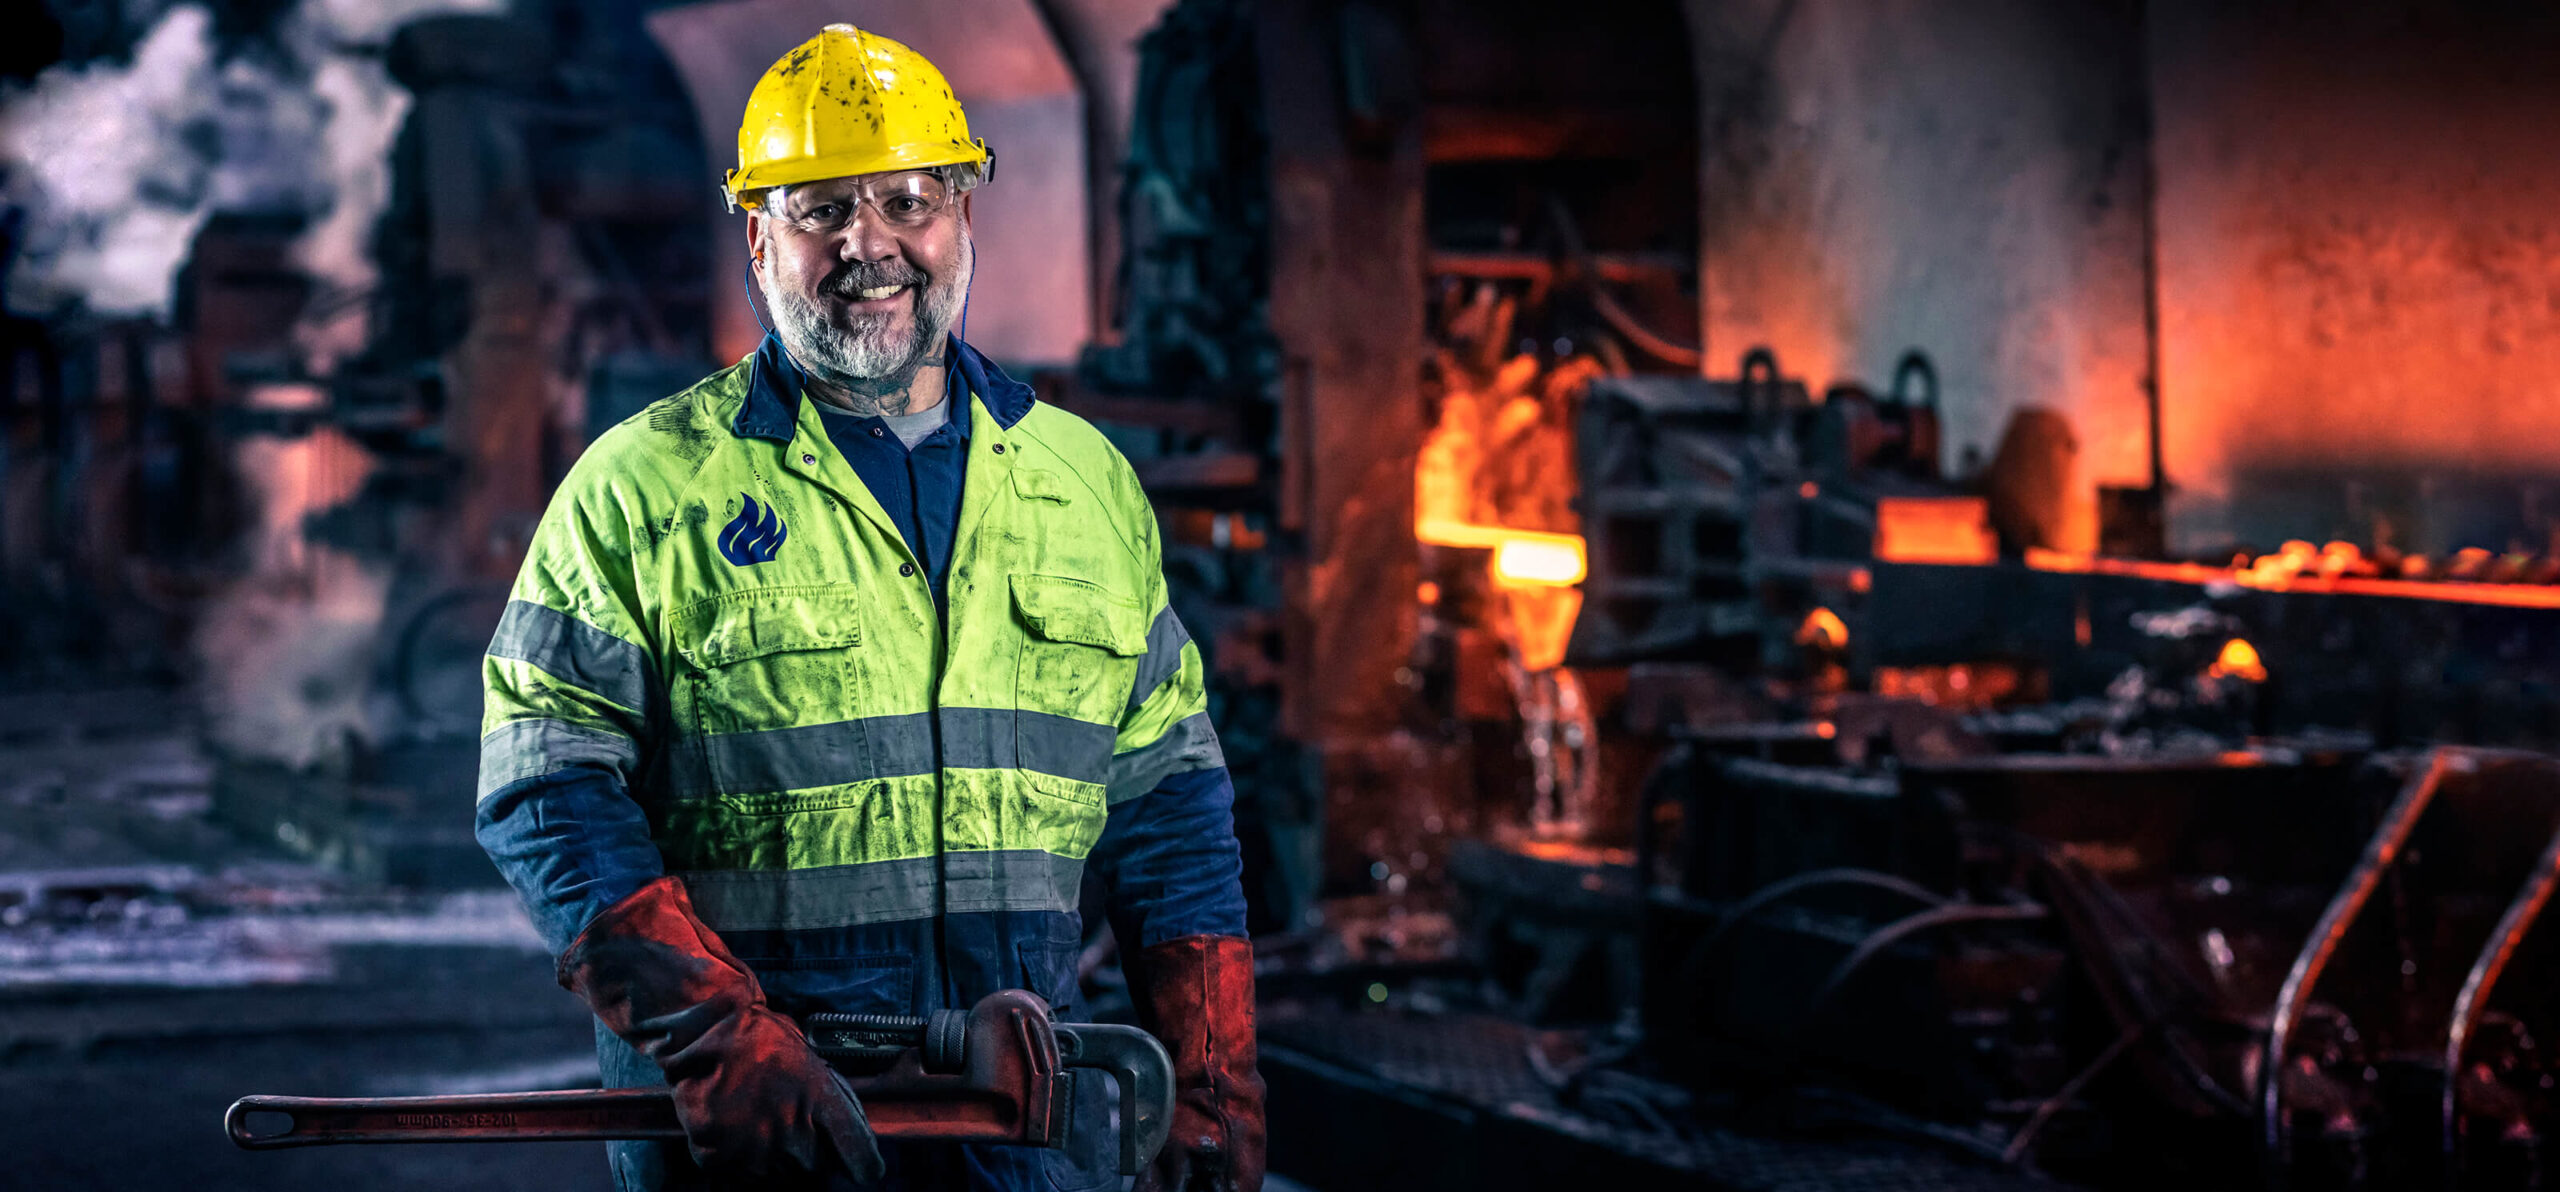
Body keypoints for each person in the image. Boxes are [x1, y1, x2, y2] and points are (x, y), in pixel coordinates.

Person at [474, 23, 1264, 1192]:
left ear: (962, 216)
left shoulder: (1081, 483)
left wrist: (1207, 1077)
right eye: (820, 210)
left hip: (1026, 1132)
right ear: (756, 236)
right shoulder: (642, 488)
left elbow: (1171, 809)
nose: (870, 245)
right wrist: (718, 1038)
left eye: (909, 201)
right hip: (766, 1140)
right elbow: (544, 783)